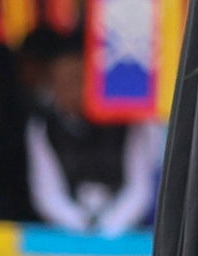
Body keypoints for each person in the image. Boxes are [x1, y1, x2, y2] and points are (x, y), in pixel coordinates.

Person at [19, 27, 158, 236]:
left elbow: (139, 189)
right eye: (60, 82)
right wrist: (82, 226)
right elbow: (46, 193)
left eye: (76, 79)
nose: (69, 89)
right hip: (69, 236)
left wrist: (110, 229)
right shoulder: (42, 126)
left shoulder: (129, 120)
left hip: (126, 235)